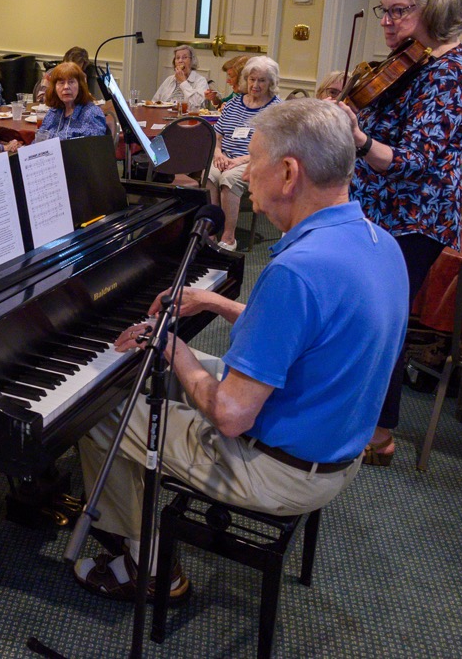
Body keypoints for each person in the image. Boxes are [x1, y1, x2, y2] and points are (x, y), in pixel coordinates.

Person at [73, 100, 409, 602]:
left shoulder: (297, 271)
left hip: (279, 469)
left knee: (97, 407)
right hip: (337, 441)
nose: (245, 171)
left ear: (289, 172)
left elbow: (230, 415)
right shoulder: (378, 241)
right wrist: (215, 302)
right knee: (142, 378)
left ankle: (145, 562)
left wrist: (170, 345)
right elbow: (314, 328)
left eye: (253, 159)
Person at [336, 0, 462, 466]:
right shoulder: (408, 64)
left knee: (385, 324)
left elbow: (417, 162)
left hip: (413, 218)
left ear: (435, 11)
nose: (387, 21)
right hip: (377, 210)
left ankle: (379, 434)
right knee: (369, 318)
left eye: (401, 11)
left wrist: (359, 140)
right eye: (386, 10)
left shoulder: (452, 74)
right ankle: (363, 418)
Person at [207, 55, 282, 251]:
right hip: (224, 159)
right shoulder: (233, 104)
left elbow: (275, 147)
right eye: (252, 79)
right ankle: (211, 232)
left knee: (229, 180)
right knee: (209, 176)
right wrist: (218, 154)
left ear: (271, 83)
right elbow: (217, 135)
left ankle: (229, 238)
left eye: (261, 80)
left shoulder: (276, 109)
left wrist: (240, 160)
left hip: (256, 163)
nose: (255, 85)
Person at [35, 63, 108, 141]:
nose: (66, 87)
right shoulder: (53, 112)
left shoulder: (92, 114)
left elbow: (94, 149)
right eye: (61, 83)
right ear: (54, 88)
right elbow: (39, 142)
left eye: (71, 82)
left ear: (80, 86)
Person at [153, 45, 209, 109]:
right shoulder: (169, 80)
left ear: (192, 60)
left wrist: (183, 82)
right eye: (177, 58)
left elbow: (198, 105)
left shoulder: (200, 81)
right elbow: (155, 102)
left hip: (187, 117)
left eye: (184, 57)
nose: (180, 61)